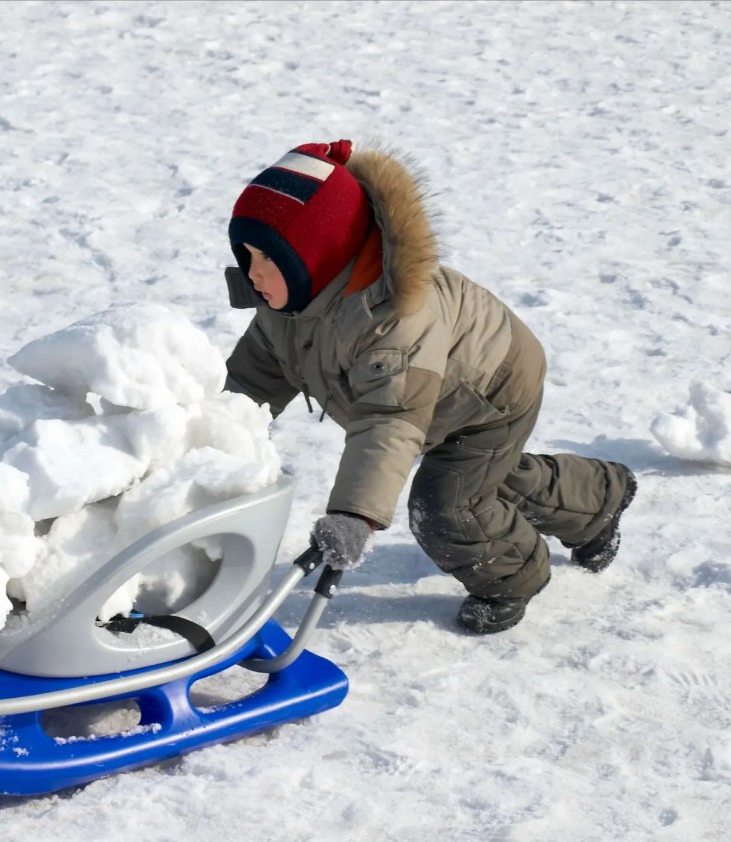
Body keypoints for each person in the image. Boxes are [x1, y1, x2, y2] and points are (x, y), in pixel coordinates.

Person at [222, 140, 637, 633]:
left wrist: (355, 513)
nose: (253, 273)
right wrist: (203, 442)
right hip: (431, 399)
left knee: (446, 508)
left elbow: (388, 421)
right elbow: (246, 387)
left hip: (491, 391)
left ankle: (513, 577)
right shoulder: (286, 310)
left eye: (268, 257)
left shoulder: (391, 321)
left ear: (318, 255)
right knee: (486, 477)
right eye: (245, 254)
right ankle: (596, 497)